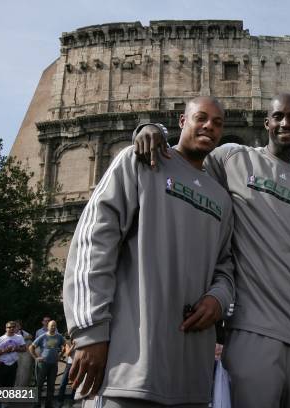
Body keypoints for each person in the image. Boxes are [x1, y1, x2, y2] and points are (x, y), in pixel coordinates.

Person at [135, 93, 290, 407]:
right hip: (252, 329)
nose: (285, 123)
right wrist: (152, 128)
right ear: (266, 122)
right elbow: (184, 158)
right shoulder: (232, 158)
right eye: (278, 116)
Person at [63, 96, 235, 407]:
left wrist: (218, 298)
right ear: (182, 122)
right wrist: (90, 332)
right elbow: (93, 241)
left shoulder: (220, 198)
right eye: (201, 118)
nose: (210, 125)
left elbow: (225, 265)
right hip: (126, 369)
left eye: (218, 123)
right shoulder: (139, 161)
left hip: (190, 378)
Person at [29, 320, 65, 408]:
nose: (53, 327)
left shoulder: (59, 337)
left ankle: (48, 404)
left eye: (55, 326)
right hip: (43, 364)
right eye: (51, 325)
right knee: (39, 385)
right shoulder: (43, 336)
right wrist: (36, 357)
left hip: (53, 365)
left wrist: (60, 354)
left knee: (51, 385)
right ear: (48, 327)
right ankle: (37, 404)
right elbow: (31, 347)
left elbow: (65, 345)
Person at [0, 322, 26, 390]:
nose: (11, 328)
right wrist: (4, 351)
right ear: (5, 329)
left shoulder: (19, 337)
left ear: (16, 328)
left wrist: (16, 348)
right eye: (9, 327)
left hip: (13, 364)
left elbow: (24, 349)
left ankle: (6, 400)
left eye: (13, 327)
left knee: (10, 386)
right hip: (2, 364)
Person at [57, 338, 76, 407]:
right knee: (63, 383)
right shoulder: (68, 343)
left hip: (78, 364)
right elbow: (68, 353)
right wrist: (73, 346)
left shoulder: (80, 342)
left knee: (75, 383)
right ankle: (60, 400)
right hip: (70, 364)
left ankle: (72, 400)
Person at [14, 321, 34, 387]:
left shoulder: (22, 332)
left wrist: (23, 338)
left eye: (17, 326)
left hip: (22, 356)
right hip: (14, 356)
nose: (15, 328)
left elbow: (30, 336)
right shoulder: (10, 334)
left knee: (21, 373)